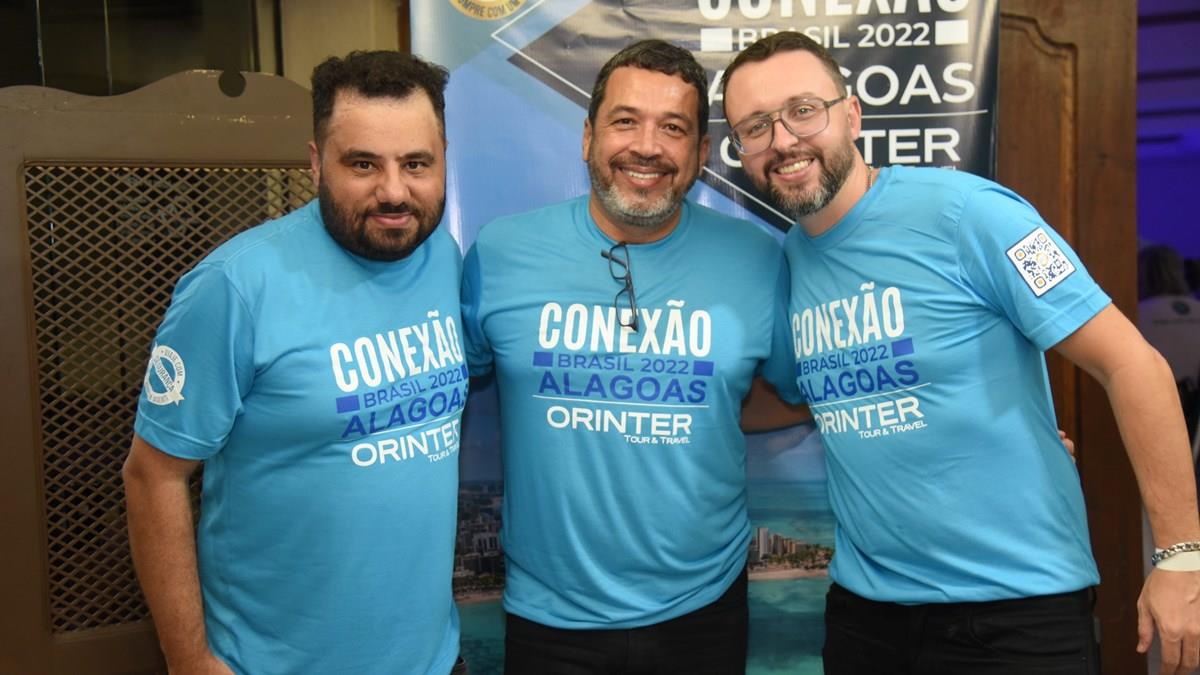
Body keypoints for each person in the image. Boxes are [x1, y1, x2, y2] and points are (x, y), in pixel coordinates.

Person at [720, 31, 1200, 675]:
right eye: (755, 127)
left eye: (803, 110)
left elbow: (1132, 363)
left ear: (852, 115)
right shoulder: (791, 262)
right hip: (867, 617)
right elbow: (811, 394)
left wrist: (1181, 556)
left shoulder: (972, 213)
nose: (782, 140)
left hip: (1015, 614)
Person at [122, 51, 468, 675]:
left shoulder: (439, 254)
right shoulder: (234, 286)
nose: (394, 191)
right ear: (315, 162)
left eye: (416, 163)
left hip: (434, 660)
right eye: (363, 164)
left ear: (443, 157)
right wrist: (189, 660)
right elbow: (153, 476)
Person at [461, 40, 798, 673]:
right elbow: (452, 386)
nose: (647, 147)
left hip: (704, 613)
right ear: (588, 136)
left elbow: (804, 389)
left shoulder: (757, 260)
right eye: (625, 121)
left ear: (701, 152)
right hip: (549, 619)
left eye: (673, 128)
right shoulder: (501, 252)